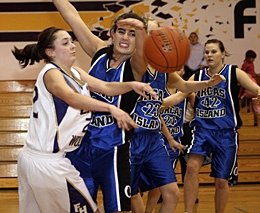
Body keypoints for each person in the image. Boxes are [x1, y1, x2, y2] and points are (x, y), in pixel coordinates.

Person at [12, 27, 156, 213]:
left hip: (48, 160)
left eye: (71, 41)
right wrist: (111, 108)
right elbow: (71, 98)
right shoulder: (51, 73)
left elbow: (105, 86)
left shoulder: (75, 72)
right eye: (65, 43)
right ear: (50, 52)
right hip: (46, 163)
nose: (72, 46)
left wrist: (132, 85)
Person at [52, 1, 149, 212]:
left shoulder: (137, 67)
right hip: (80, 146)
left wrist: (141, 29)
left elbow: (142, 54)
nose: (125, 37)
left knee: (118, 209)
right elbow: (73, 17)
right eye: (121, 31)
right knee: (80, 208)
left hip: (113, 149)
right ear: (112, 34)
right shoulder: (99, 52)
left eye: (133, 34)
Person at [129, 17, 225, 213]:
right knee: (129, 194)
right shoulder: (132, 63)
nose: (154, 38)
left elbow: (184, 86)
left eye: (157, 34)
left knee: (171, 193)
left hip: (154, 139)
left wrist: (207, 83)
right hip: (131, 138)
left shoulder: (162, 68)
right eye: (149, 33)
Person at [183, 39, 260, 213]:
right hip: (202, 130)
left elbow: (256, 89)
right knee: (191, 168)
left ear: (223, 54)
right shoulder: (198, 75)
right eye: (207, 52)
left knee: (221, 180)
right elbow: (182, 92)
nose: (209, 55)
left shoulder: (234, 73)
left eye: (213, 52)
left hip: (226, 132)